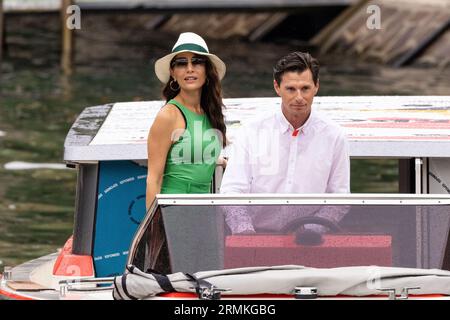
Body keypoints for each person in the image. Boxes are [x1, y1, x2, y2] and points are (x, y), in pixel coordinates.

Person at [220, 51, 350, 237]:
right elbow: (232, 190)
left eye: (305, 88)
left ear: (316, 87)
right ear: (277, 87)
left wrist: (310, 233)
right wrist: (245, 233)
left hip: (311, 240)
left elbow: (340, 197)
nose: (299, 97)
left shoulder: (334, 136)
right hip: (254, 235)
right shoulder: (251, 130)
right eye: (291, 89)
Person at [146, 32, 227, 210]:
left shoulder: (210, 112)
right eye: (181, 63)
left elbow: (191, 155)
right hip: (174, 208)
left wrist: (219, 160)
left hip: (204, 205)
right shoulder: (168, 115)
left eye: (197, 62)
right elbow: (154, 178)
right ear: (173, 73)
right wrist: (154, 228)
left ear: (207, 70)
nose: (190, 68)